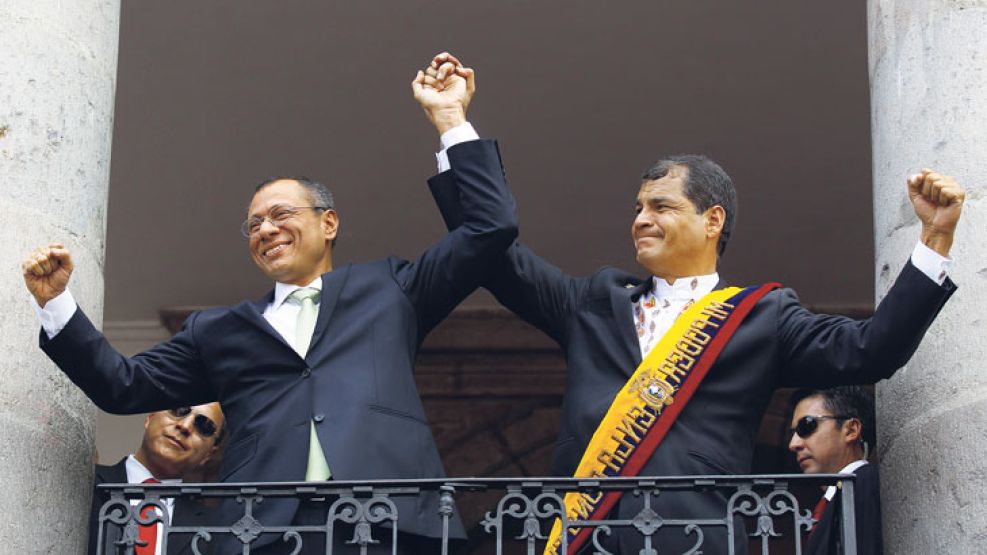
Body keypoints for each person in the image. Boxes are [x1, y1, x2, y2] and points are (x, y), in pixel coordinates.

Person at [424, 54, 961, 552]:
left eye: (661, 206)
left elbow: (871, 349)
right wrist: (454, 125)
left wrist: (933, 242)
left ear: (712, 220)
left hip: (697, 539)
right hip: (583, 536)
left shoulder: (762, 317)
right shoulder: (594, 302)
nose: (640, 219)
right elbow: (497, 257)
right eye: (637, 207)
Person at [24, 53, 516, 554]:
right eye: (253, 224)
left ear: (329, 224)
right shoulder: (218, 331)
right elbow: (121, 387)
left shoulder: (389, 289)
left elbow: (488, 229)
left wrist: (451, 120)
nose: (266, 229)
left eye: (281, 214)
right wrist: (56, 302)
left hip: (391, 525)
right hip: (262, 535)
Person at [89, 403, 226, 555]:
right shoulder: (88, 482)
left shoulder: (215, 529)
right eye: (178, 410)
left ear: (208, 454)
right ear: (150, 417)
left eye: (204, 426)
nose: (185, 426)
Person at [789, 386, 882, 555]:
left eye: (807, 426)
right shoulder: (835, 498)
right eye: (793, 433)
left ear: (851, 430)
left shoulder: (867, 483)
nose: (793, 444)